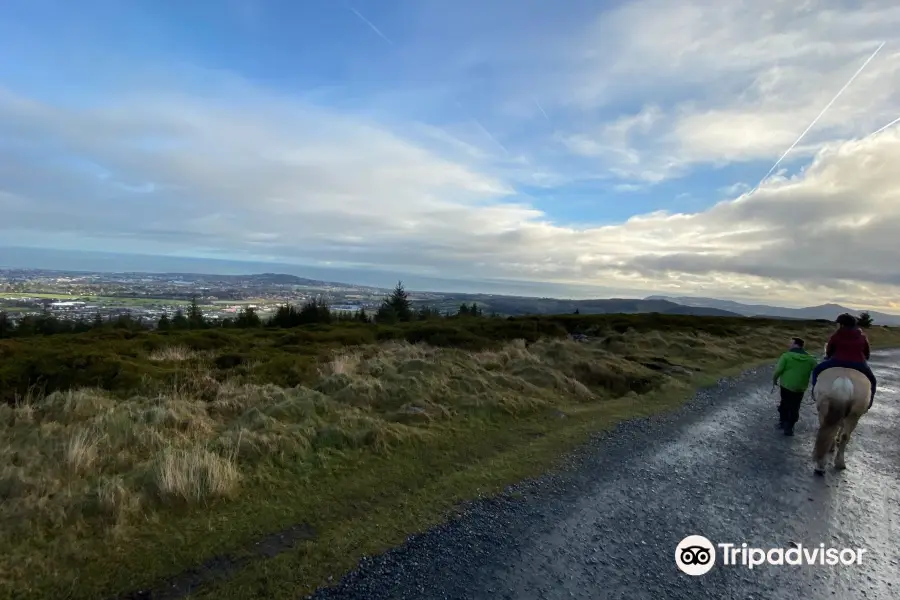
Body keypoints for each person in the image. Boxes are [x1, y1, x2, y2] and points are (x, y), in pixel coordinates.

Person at [810, 313, 877, 408]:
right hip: (858, 363)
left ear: (842, 325)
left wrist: (828, 357)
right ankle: (869, 402)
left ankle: (814, 391)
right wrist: (864, 358)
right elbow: (866, 352)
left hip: (837, 361)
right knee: (873, 381)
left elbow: (829, 350)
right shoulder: (862, 336)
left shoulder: (836, 335)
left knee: (816, 370)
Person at [772, 337, 818, 435]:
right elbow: (817, 371)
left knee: (784, 403)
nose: (789, 345)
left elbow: (778, 371)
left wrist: (774, 380)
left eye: (791, 343)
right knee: (795, 406)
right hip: (800, 388)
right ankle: (790, 426)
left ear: (797, 345)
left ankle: (783, 422)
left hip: (786, 385)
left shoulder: (786, 356)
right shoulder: (811, 359)